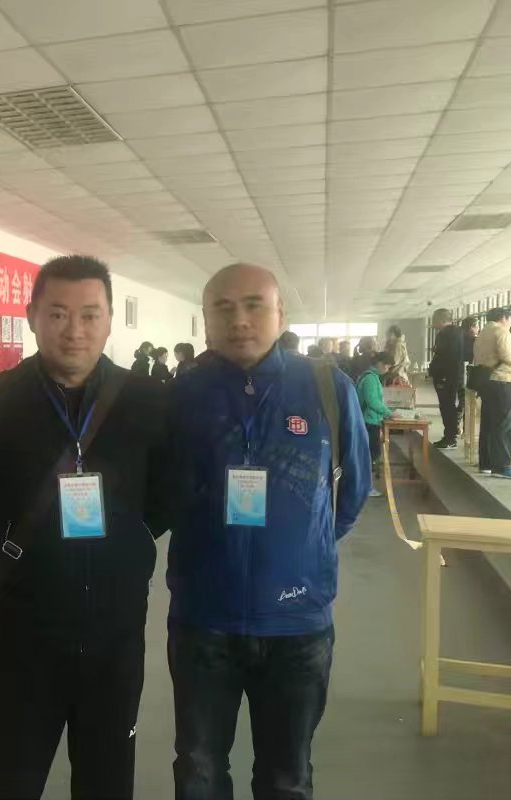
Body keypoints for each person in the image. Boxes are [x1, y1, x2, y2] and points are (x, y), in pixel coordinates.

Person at [0, 255, 174, 800]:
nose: (75, 330)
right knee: (15, 780)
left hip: (116, 631)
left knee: (108, 781)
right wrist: (29, 548)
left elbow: (166, 493)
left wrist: (123, 542)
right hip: (25, 630)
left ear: (110, 320)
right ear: (32, 317)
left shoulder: (147, 403)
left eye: (90, 315)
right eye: (58, 314)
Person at [164, 263, 370, 800]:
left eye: (254, 305)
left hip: (297, 624)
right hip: (204, 619)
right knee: (199, 770)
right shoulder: (182, 395)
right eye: (223, 308)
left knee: (287, 776)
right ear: (206, 320)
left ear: (281, 314)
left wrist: (299, 552)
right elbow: (162, 491)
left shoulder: (327, 388)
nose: (239, 320)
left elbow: (349, 495)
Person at [474, 308, 511, 479]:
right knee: (505, 424)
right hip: (503, 381)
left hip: (487, 381)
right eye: (510, 320)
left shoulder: (482, 333)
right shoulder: (501, 331)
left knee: (488, 424)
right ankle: (502, 467)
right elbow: (507, 356)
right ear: (504, 317)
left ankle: (486, 464)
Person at [356, 352, 398, 498]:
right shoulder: (370, 379)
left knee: (368, 456)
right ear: (379, 363)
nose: (387, 369)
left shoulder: (371, 377)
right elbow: (372, 402)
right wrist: (389, 413)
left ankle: (364, 486)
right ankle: (365, 487)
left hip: (370, 420)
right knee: (368, 456)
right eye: (386, 366)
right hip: (369, 422)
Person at [429, 308, 464, 449]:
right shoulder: (459, 332)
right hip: (455, 375)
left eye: (434, 320)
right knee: (449, 405)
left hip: (445, 376)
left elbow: (442, 355)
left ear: (441, 320)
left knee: (446, 406)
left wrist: (436, 371)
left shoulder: (445, 334)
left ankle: (450, 437)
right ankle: (450, 435)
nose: (433, 323)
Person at [459, 316, 480, 423]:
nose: (479, 328)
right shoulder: (474, 340)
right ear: (472, 327)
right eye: (477, 326)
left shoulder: (458, 338)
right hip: (469, 373)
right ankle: (465, 427)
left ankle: (457, 426)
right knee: (468, 402)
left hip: (458, 372)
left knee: (462, 401)